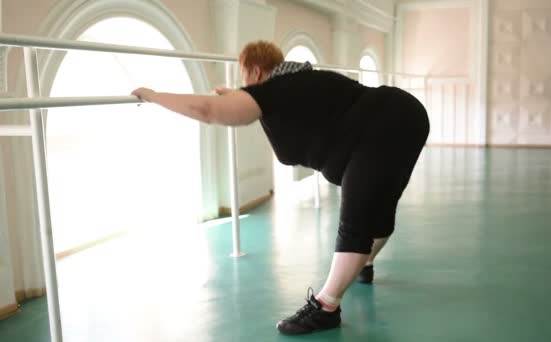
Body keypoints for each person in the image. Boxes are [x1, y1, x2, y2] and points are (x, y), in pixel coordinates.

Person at [131, 40, 429, 335]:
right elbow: (273, 112)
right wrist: (243, 96)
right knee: (379, 207)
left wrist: (154, 95)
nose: (245, 84)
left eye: (244, 75)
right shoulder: (301, 81)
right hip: (406, 113)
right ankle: (363, 264)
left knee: (357, 221)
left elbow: (210, 110)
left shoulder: (275, 91)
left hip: (384, 126)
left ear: (257, 72)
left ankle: (326, 307)